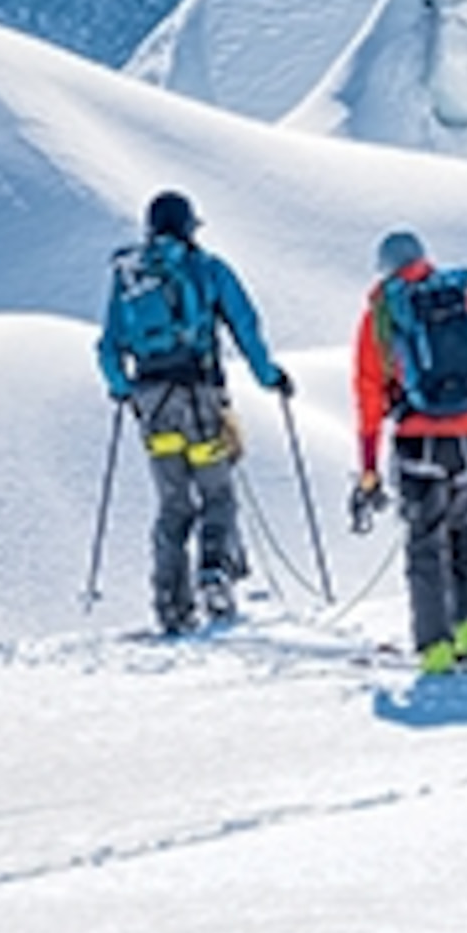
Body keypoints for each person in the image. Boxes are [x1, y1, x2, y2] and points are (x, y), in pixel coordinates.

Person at [96, 189, 294, 634]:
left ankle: (171, 604)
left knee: (172, 504)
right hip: (200, 398)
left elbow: (108, 346)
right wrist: (270, 377)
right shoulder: (207, 269)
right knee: (217, 495)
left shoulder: (129, 276)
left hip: (153, 407)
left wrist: (123, 390)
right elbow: (245, 324)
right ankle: (214, 575)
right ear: (188, 227)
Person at [351, 229, 467, 673]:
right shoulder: (461, 300)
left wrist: (368, 465)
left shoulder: (382, 314)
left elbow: (368, 393)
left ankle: (436, 648)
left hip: (419, 441)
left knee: (425, 542)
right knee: (459, 531)